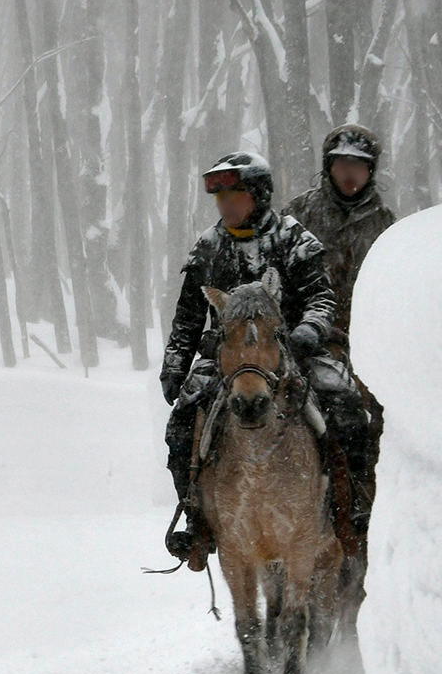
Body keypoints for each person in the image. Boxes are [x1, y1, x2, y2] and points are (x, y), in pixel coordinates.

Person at [160, 151, 371, 558]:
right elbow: (187, 319)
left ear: (258, 195)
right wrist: (175, 366)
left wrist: (308, 331)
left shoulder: (294, 239)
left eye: (234, 195)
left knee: (345, 407)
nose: (225, 205)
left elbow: (321, 298)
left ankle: (350, 511)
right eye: (219, 199)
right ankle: (196, 518)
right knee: (182, 424)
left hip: (293, 355)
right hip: (225, 364)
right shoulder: (207, 248)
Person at [283, 124, 395, 338]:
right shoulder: (298, 213)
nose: (350, 172)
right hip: (304, 334)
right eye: (343, 164)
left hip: (367, 335)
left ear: (370, 170)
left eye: (359, 165)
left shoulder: (385, 224)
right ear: (329, 167)